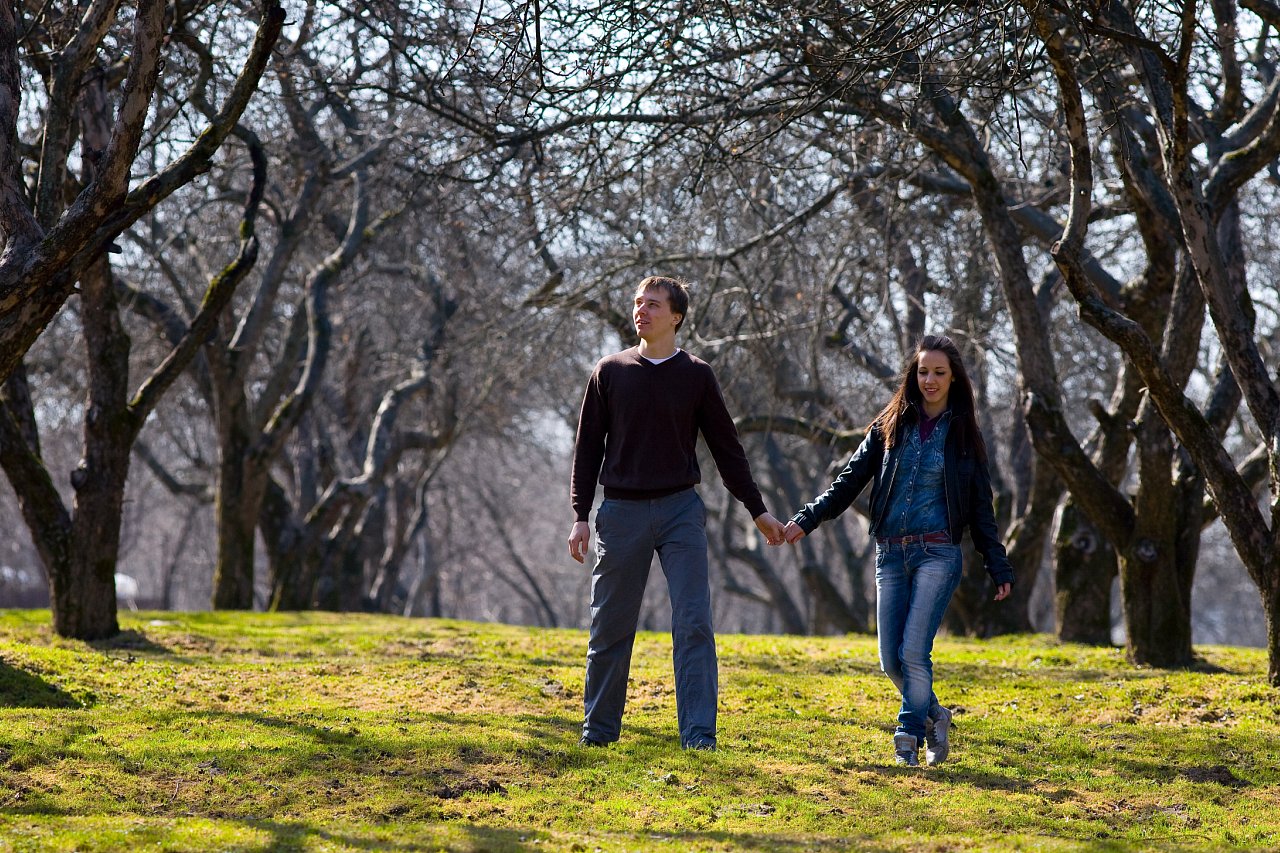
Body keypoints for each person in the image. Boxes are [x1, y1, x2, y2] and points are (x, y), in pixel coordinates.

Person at [568, 275, 786, 751]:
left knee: (693, 623)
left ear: (676, 316)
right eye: (638, 302)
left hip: (680, 512)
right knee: (610, 625)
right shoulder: (609, 371)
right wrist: (580, 514)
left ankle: (699, 737)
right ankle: (598, 734)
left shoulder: (696, 375)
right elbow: (587, 449)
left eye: (653, 304)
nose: (641, 310)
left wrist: (757, 511)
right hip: (620, 512)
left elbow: (727, 449)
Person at [782, 335, 1013, 767]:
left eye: (939, 372)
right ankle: (936, 716)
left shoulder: (965, 437)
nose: (930, 380)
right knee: (891, 661)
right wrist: (807, 519)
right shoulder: (889, 426)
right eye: (923, 372)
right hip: (889, 554)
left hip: (937, 554)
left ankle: (908, 736)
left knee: (914, 653)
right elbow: (848, 481)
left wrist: (997, 565)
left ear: (954, 378)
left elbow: (982, 510)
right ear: (913, 375)